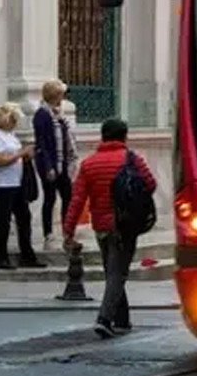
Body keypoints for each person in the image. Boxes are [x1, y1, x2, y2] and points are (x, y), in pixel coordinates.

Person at [63, 118, 156, 338]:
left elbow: (77, 200)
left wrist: (68, 230)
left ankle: (122, 319)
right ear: (124, 136)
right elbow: (151, 184)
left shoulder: (89, 164)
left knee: (112, 271)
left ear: (102, 136)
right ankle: (104, 319)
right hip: (125, 225)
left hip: (102, 227)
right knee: (117, 273)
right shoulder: (133, 160)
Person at [0, 103, 45, 270]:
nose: (14, 123)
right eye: (12, 120)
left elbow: (14, 157)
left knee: (24, 218)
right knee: (3, 220)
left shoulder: (11, 135)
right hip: (4, 184)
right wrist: (21, 153)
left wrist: (26, 156)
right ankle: (1, 256)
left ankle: (27, 254)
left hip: (17, 182)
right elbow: (0, 161)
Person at [33, 79, 77, 249]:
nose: (62, 97)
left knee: (68, 197)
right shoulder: (42, 115)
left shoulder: (59, 114)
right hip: (49, 165)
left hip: (63, 164)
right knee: (49, 198)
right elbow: (42, 142)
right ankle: (48, 234)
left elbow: (66, 139)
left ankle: (67, 233)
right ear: (55, 95)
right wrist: (49, 166)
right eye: (60, 94)